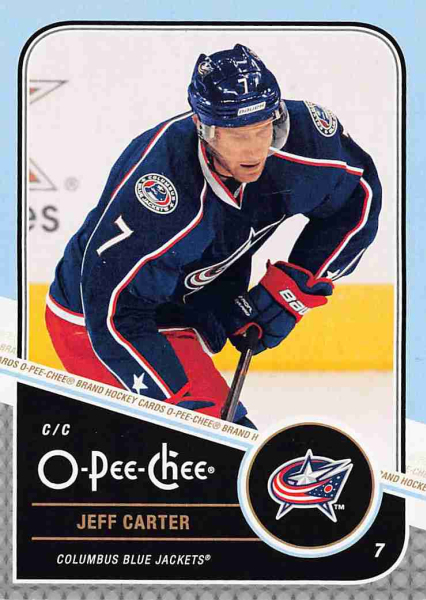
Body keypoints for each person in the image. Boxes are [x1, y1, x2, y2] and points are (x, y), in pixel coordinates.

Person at [45, 44, 381, 428]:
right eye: (237, 136)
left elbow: (359, 194)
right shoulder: (160, 191)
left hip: (184, 308)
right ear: (204, 128)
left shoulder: (305, 144)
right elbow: (110, 310)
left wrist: (300, 281)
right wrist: (175, 406)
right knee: (206, 441)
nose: (255, 149)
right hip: (95, 322)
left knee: (226, 442)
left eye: (263, 129)